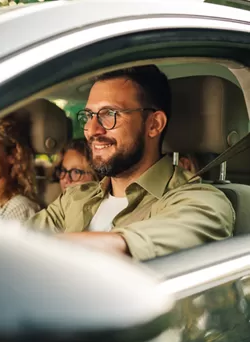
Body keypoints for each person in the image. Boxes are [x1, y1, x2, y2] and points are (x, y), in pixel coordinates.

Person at [27, 65, 234, 260]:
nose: (91, 130)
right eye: (89, 115)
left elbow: (133, 247)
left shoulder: (201, 201)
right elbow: (17, 241)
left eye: (110, 114)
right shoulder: (74, 198)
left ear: (154, 124)